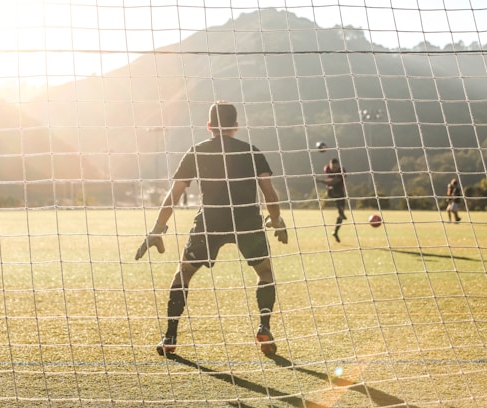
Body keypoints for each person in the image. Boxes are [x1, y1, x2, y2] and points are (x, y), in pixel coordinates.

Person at [135, 101, 288, 357]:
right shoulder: (251, 152)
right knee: (264, 272)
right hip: (247, 220)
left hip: (210, 221)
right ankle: (264, 327)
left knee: (183, 274)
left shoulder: (197, 152)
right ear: (236, 126)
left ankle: (170, 336)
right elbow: (269, 194)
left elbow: (173, 195)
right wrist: (277, 220)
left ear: (209, 126)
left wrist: (157, 229)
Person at [319, 158, 347, 243]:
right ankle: (340, 210)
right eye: (332, 167)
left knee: (341, 216)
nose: (334, 169)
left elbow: (334, 181)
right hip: (331, 192)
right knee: (332, 189)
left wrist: (320, 181)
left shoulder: (342, 171)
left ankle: (335, 231)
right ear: (330, 165)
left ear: (338, 165)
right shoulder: (327, 168)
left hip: (340, 193)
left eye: (336, 167)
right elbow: (330, 183)